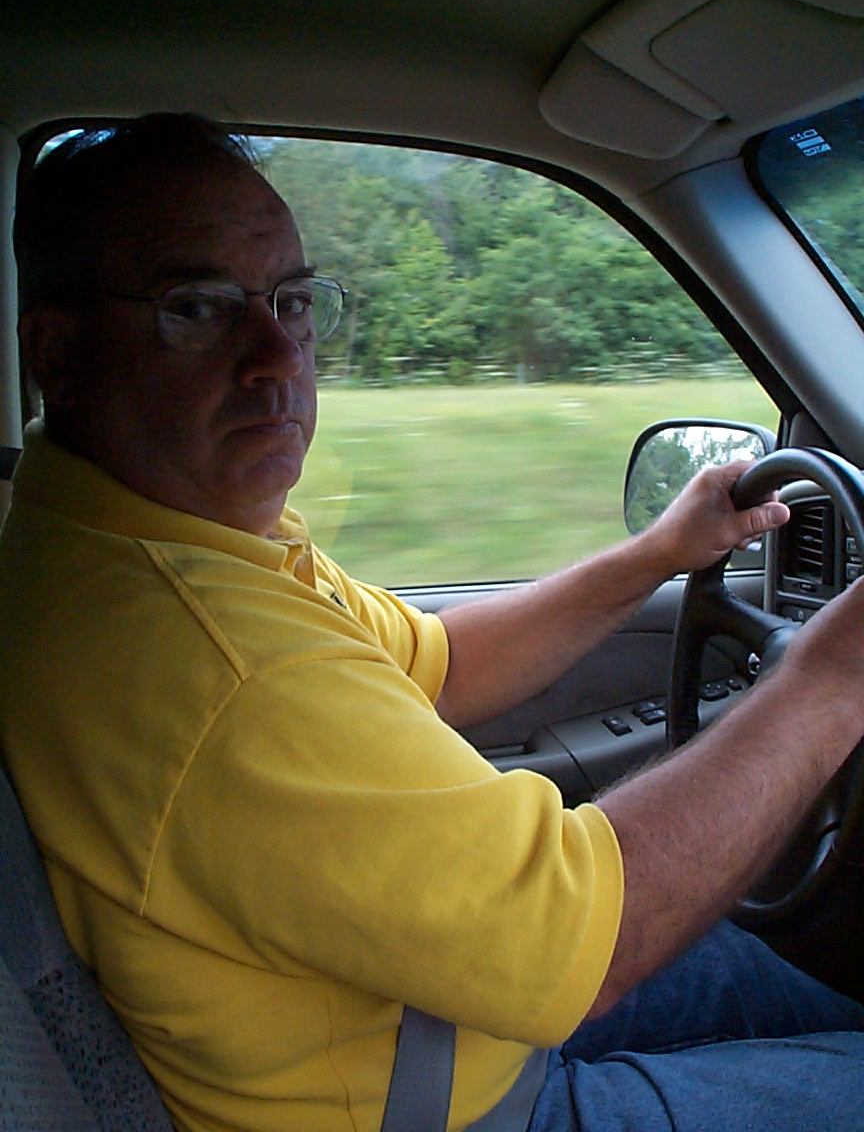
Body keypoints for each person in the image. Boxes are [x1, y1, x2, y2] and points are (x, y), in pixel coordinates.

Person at [1, 113, 864, 1132]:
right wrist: (831, 683)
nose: (276, 357)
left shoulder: (164, 540)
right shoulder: (211, 662)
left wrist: (660, 553)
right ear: (59, 351)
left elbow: (442, 665)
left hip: (444, 1009)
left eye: (292, 301)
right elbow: (595, 946)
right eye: (197, 308)